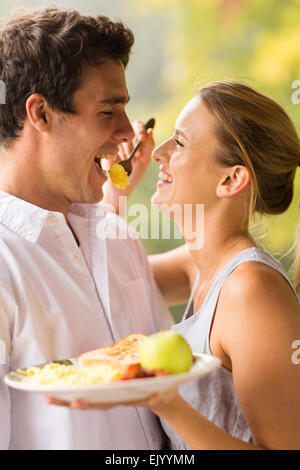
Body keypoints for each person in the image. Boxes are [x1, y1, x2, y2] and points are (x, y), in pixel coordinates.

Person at [61, 81, 300, 450]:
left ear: (231, 179)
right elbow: (98, 282)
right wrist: (115, 195)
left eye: (180, 143)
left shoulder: (253, 292)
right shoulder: (200, 263)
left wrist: (166, 402)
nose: (158, 152)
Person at [0, 7, 173, 450]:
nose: (125, 132)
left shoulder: (116, 236)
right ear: (39, 113)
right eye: (108, 110)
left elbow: (166, 380)